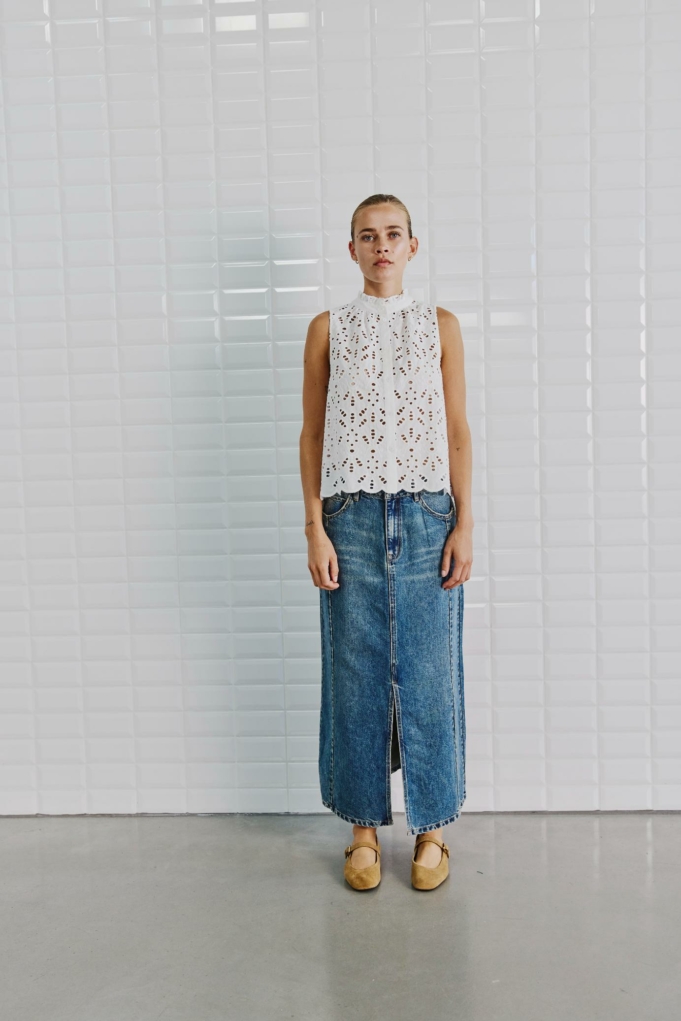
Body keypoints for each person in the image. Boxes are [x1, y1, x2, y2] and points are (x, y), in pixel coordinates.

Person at [299, 194, 474, 891]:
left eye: (392, 234)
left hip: (429, 513)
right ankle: (363, 830)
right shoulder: (327, 328)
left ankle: (432, 828)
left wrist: (465, 521)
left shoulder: (441, 325)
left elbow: (456, 429)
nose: (381, 246)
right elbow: (313, 433)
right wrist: (315, 525)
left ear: (412, 246)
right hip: (350, 515)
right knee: (356, 677)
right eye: (367, 236)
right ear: (351, 250)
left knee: (430, 672)